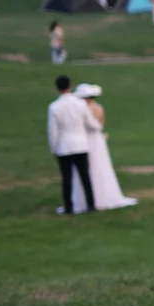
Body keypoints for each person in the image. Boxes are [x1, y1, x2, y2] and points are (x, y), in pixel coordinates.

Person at [69, 84, 137, 211]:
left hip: (86, 139)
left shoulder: (83, 110)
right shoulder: (99, 108)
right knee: (100, 165)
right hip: (97, 140)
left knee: (87, 166)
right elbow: (101, 125)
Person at [47, 74, 99, 215]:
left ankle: (69, 207)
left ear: (57, 88)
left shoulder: (54, 107)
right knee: (85, 177)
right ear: (70, 86)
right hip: (80, 144)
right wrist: (98, 127)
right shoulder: (80, 104)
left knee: (67, 178)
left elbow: (53, 131)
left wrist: (53, 148)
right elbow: (89, 121)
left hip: (64, 146)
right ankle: (91, 205)